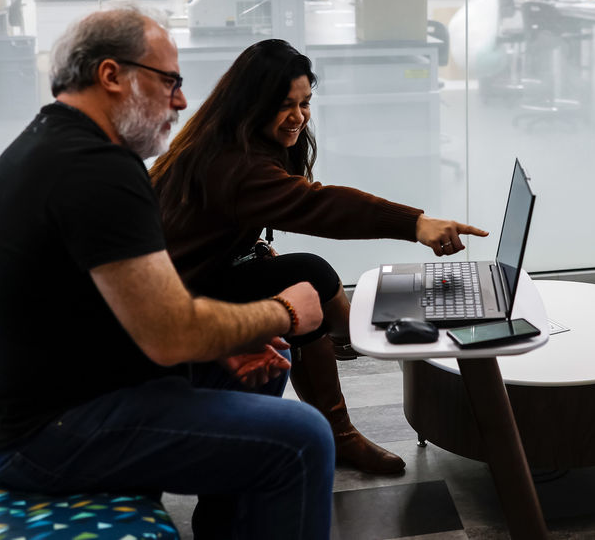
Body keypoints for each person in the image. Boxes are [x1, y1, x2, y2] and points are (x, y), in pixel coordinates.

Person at [0, 7, 335, 539]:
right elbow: (170, 334)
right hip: (49, 434)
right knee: (304, 440)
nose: (181, 101)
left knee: (266, 365)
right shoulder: (96, 170)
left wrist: (233, 338)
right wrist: (284, 309)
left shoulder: (63, 145)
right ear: (112, 76)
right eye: (169, 83)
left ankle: (226, 527)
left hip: (73, 389)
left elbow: (108, 308)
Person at [149, 38, 488, 475]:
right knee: (308, 275)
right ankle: (344, 399)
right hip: (181, 298)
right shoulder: (232, 163)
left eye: (305, 102)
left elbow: (222, 224)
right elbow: (319, 205)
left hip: (203, 275)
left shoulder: (236, 140)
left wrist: (249, 247)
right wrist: (415, 224)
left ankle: (346, 346)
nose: (298, 115)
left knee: (306, 272)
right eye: (285, 105)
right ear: (250, 104)